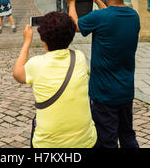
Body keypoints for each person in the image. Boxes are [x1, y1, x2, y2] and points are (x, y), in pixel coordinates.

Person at [66, 0, 140, 149]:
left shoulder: (100, 18)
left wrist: (71, 3)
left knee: (106, 140)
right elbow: (112, 17)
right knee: (127, 135)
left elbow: (75, 25)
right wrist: (98, 1)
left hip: (104, 93)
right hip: (125, 90)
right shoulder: (134, 16)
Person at [13, 12, 97, 148]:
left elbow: (17, 73)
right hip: (85, 142)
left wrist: (27, 42)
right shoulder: (79, 58)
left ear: (44, 40)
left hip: (48, 145)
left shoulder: (36, 64)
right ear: (70, 37)